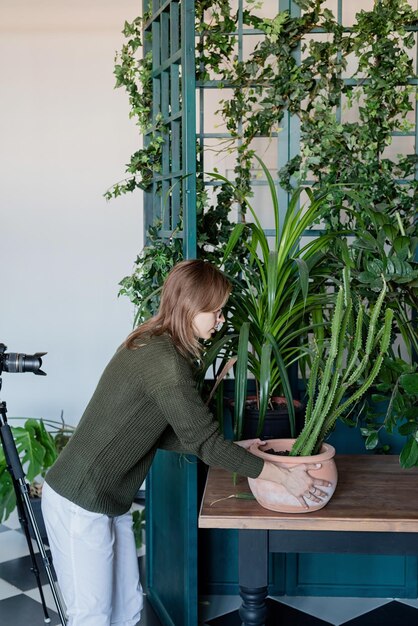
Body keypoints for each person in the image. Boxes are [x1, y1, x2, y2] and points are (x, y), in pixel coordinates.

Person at [41, 259, 329, 626]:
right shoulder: (166, 363)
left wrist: (235, 449)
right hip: (79, 500)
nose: (221, 320)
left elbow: (157, 430)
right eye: (217, 311)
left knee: (128, 610)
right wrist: (283, 477)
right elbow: (206, 444)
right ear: (192, 308)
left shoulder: (152, 341)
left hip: (107, 498)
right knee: (92, 617)